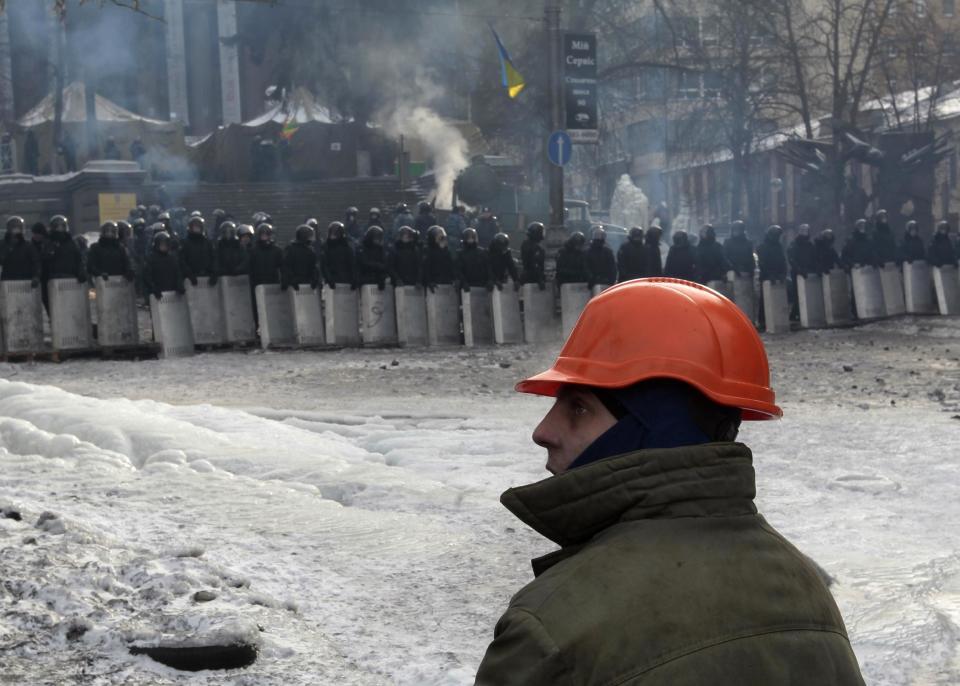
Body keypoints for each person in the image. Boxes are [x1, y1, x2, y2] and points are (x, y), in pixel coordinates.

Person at [475, 279, 866, 685]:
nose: (543, 430)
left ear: (656, 433)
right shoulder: (808, 594)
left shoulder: (551, 629)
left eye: (578, 407)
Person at [43, 215, 86, 284]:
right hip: (54, 280)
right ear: (53, 228)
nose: (60, 229)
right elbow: (45, 261)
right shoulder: (48, 243)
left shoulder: (72, 243)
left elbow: (79, 259)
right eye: (57, 226)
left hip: (71, 278)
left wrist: (81, 272)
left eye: (62, 226)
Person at [0, 216, 42, 286]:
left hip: (25, 280)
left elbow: (36, 262)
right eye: (13, 227)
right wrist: (8, 248)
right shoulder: (2, 244)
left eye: (18, 227)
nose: (16, 230)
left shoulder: (28, 245)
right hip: (7, 280)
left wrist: (36, 276)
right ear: (8, 228)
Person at [144, 232, 185, 301]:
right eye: (162, 244)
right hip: (158, 295)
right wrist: (153, 289)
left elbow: (177, 273)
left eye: (166, 244)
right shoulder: (151, 259)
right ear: (157, 245)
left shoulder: (172, 258)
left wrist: (179, 286)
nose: (164, 247)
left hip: (172, 294)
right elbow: (147, 277)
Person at [180, 216, 218, 288]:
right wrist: (189, 274)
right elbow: (182, 261)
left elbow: (214, 258)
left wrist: (214, 273)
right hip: (191, 279)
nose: (196, 228)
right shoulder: (185, 243)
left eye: (198, 226)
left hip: (207, 277)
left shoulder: (207, 242)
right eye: (195, 226)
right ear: (191, 228)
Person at [282, 225, 321, 291]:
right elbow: (286, 267)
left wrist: (314, 280)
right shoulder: (291, 249)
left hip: (307, 284)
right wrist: (292, 280)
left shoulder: (310, 251)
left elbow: (314, 268)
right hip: (293, 286)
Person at [322, 221, 357, 289]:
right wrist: (329, 280)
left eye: (336, 233)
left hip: (346, 282)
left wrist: (354, 279)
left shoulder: (347, 248)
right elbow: (324, 266)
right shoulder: (326, 247)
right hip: (333, 283)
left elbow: (352, 264)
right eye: (332, 233)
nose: (333, 235)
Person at [422, 225, 456, 291]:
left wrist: (455, 279)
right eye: (440, 237)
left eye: (443, 237)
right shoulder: (427, 251)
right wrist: (429, 281)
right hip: (433, 284)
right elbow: (425, 268)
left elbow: (452, 266)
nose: (442, 239)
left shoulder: (447, 251)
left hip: (447, 283)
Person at [249, 224, 284, 288]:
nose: (264, 235)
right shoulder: (253, 251)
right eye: (262, 233)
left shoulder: (277, 250)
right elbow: (250, 268)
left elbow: (283, 267)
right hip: (258, 283)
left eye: (266, 233)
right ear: (259, 235)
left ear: (269, 234)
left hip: (273, 282)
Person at [356, 225, 390, 290]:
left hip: (378, 279)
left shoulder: (380, 249)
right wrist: (378, 265)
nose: (378, 240)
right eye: (376, 238)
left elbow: (385, 264)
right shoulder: (362, 248)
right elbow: (364, 262)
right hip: (365, 279)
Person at [520, 222, 546, 289]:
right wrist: (540, 279)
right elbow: (535, 264)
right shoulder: (534, 247)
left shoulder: (526, 244)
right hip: (532, 278)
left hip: (529, 276)